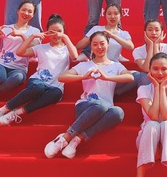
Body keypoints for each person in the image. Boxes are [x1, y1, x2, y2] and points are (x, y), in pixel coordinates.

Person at [44, 30, 134, 159]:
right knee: (101, 105)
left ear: (108, 44)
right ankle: (65, 138)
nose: (99, 47)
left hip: (106, 109)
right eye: (95, 44)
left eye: (102, 43)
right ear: (91, 46)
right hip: (85, 106)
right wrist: (83, 76)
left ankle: (77, 139)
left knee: (118, 112)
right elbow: (62, 77)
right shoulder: (84, 65)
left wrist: (107, 77)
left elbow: (130, 77)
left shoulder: (116, 66)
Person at [0, 14, 78, 127]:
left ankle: (16, 113)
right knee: (38, 87)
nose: (56, 34)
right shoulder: (42, 47)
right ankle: (1, 111)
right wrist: (32, 37)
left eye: (59, 31)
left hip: (55, 86)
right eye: (52, 31)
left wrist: (65, 37)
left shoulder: (67, 49)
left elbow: (75, 56)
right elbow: (20, 52)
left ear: (64, 32)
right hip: (37, 81)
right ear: (47, 32)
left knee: (56, 94)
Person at [116, 19, 167, 96]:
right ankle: (146, 100)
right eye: (150, 30)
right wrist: (151, 45)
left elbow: (159, 66)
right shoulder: (138, 51)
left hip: (164, 77)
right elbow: (147, 69)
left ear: (162, 33)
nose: (153, 33)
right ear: (145, 32)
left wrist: (156, 45)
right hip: (147, 79)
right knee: (144, 76)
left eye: (157, 30)